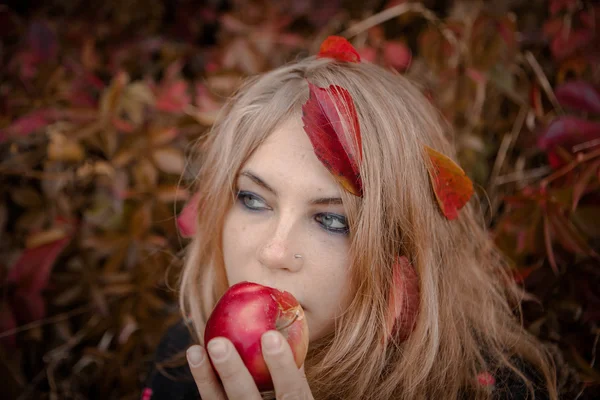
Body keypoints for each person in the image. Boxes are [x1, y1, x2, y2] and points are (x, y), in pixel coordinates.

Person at [142, 37, 576, 400]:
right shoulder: (185, 363)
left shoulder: (492, 389)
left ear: (403, 249)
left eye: (333, 221)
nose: (274, 252)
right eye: (254, 200)